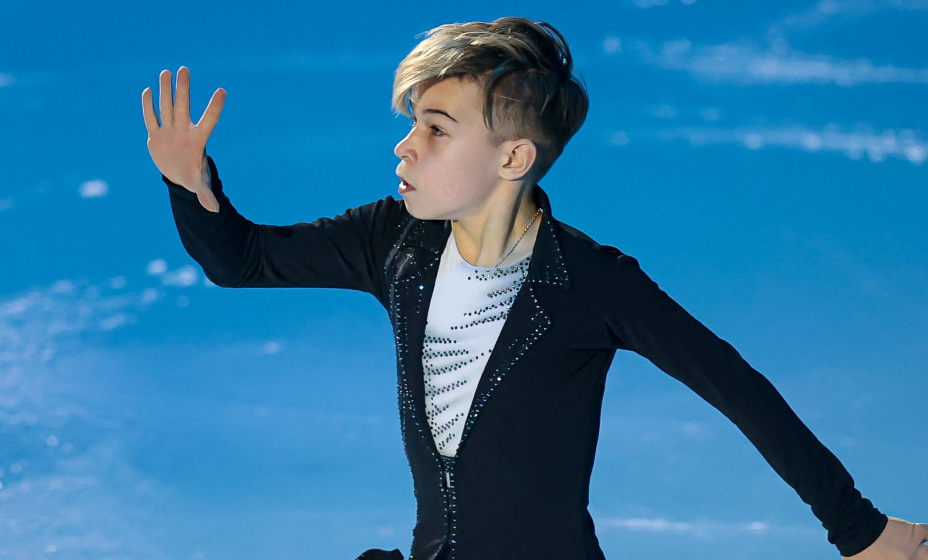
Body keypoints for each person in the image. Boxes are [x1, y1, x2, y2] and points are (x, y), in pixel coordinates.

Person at [141, 17, 926, 560]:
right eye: (412, 123)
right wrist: (191, 183)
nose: (405, 146)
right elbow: (244, 260)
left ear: (513, 158)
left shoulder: (590, 281)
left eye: (436, 129)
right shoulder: (394, 240)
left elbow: (737, 389)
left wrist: (857, 529)